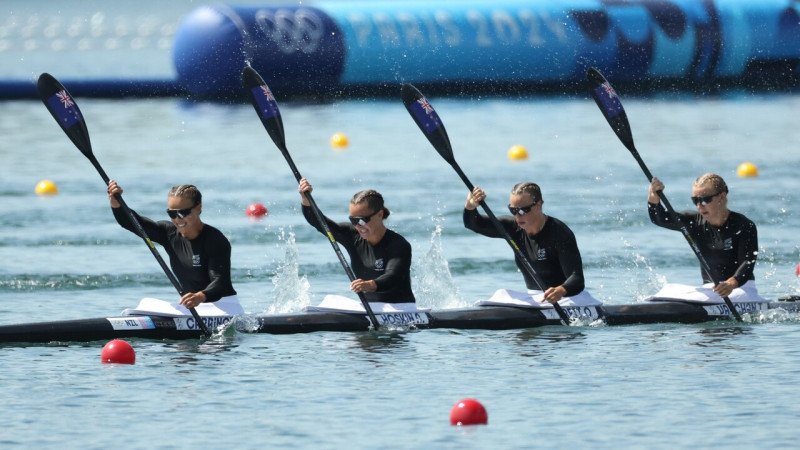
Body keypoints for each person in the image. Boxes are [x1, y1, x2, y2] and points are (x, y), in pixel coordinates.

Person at [107, 181, 238, 310]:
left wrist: (199, 297)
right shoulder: (168, 233)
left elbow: (220, 283)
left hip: (224, 305)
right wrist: (115, 202)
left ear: (198, 208)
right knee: (147, 302)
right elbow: (133, 223)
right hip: (193, 308)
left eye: (183, 213)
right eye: (172, 214)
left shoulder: (215, 240)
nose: (178, 219)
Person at [464, 182, 592, 305]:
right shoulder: (512, 228)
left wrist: (560, 291)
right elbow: (474, 224)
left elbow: (577, 279)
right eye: (513, 210)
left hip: (569, 299)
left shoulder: (559, 233)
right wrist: (470, 207)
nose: (518, 216)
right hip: (535, 299)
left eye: (523, 210)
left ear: (539, 204)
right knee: (501, 293)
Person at [298, 178, 415, 303]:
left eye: (362, 220)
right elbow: (321, 224)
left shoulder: (398, 244)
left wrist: (370, 285)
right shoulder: (352, 236)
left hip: (401, 309)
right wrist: (306, 200)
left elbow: (393, 277)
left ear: (380, 215)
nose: (358, 226)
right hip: (369, 308)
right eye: (353, 220)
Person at [648, 173, 758, 298]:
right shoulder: (693, 222)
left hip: (742, 289)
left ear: (722, 196)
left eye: (705, 199)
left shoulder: (743, 225)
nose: (699, 205)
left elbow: (747, 263)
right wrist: (653, 195)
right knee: (669, 290)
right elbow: (660, 219)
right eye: (695, 200)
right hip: (710, 290)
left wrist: (730, 284)